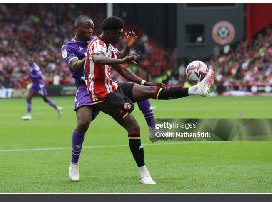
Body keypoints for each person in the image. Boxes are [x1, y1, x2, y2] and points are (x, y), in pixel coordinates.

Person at [84, 16, 214, 184]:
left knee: (151, 90)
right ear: (108, 32)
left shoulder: (108, 46)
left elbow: (122, 69)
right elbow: (98, 59)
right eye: (117, 34)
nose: (119, 37)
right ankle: (144, 174)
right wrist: (122, 58)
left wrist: (143, 79)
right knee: (133, 126)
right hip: (101, 94)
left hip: (113, 87)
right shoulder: (96, 44)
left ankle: (195, 90)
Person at [61, 15, 164, 182]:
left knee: (140, 91)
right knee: (83, 123)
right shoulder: (69, 47)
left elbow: (119, 59)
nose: (90, 29)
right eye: (86, 27)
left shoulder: (99, 41)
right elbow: (74, 65)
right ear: (76, 27)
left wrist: (127, 47)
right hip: (85, 88)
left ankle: (153, 128)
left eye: (92, 26)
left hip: (105, 84)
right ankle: (74, 164)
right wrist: (89, 56)